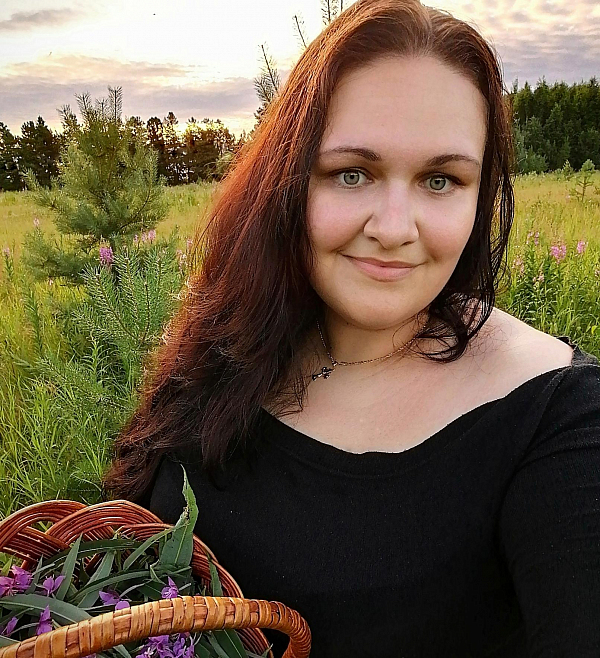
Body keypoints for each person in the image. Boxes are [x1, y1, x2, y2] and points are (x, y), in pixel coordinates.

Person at [102, 0, 600, 656]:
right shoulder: (233, 343)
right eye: (352, 173)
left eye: (441, 180)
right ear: (287, 182)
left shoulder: (561, 422)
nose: (394, 228)